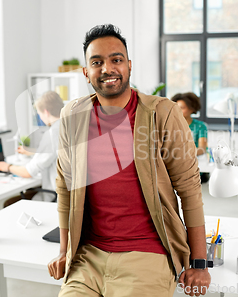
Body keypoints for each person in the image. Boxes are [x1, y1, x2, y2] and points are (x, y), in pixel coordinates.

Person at [47, 24, 211, 297]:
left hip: (148, 255)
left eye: (116, 59)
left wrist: (200, 263)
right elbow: (64, 186)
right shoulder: (72, 115)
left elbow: (189, 188)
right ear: (86, 72)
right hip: (88, 257)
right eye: (96, 62)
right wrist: (64, 251)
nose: (107, 68)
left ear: (129, 66)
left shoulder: (162, 113)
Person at [0, 91, 64, 205]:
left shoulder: (51, 134)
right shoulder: (72, 126)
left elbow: (28, 172)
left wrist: (7, 166)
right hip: (76, 195)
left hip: (55, 197)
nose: (40, 117)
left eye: (39, 114)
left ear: (46, 112)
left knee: (9, 203)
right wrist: (32, 152)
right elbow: (58, 152)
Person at [170, 92, 208, 157]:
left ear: (191, 109)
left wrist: (185, 154)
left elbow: (202, 149)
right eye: (177, 108)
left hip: (195, 160)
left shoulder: (200, 126)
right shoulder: (171, 125)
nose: (178, 110)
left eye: (182, 108)